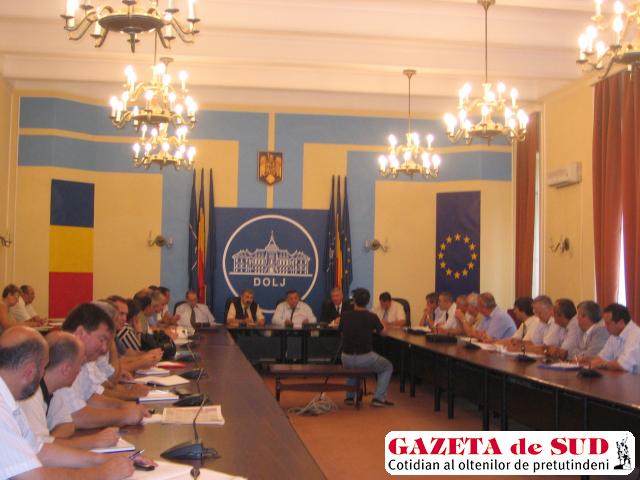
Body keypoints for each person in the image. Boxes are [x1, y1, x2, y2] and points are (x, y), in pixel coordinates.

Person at [0, 325, 138, 479]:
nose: (44, 374)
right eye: (44, 368)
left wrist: (101, 460)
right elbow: (31, 477)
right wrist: (102, 473)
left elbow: (40, 451)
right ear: (30, 371)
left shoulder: (9, 399)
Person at [51, 304, 150, 430]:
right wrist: (123, 415)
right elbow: (75, 416)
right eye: (102, 339)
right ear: (80, 333)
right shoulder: (63, 359)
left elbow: (90, 398)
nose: (104, 349)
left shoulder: (83, 361)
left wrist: (124, 406)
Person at [18, 331, 121, 450]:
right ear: (66, 369)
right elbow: (39, 450)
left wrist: (51, 441)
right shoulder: (31, 395)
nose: (80, 371)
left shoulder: (54, 389)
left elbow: (67, 425)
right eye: (80, 365)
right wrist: (94, 441)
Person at [340, 288, 393, 408]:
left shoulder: (345, 315)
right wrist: (383, 325)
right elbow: (383, 334)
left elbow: (342, 333)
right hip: (365, 357)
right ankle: (378, 398)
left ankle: (349, 397)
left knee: (352, 369)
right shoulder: (372, 316)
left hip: (346, 357)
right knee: (387, 367)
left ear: (354, 301)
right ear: (368, 301)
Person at [589, 303, 640, 372]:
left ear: (621, 323)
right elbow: (599, 359)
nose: (605, 326)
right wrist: (603, 363)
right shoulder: (614, 335)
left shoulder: (636, 336)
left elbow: (623, 366)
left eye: (607, 323)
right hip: (621, 377)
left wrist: (604, 364)